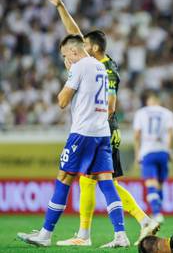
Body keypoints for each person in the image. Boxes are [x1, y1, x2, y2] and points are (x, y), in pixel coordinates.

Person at [43, 0, 158, 246]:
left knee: (102, 180)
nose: (79, 47)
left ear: (92, 48)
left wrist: (94, 126)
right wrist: (60, 6)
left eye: (84, 45)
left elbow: (111, 105)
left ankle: (140, 219)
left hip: (102, 129)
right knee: (92, 180)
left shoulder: (105, 68)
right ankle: (86, 234)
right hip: (98, 130)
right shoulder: (96, 62)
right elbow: (74, 34)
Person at [17, 35, 129, 248]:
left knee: (64, 178)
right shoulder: (100, 67)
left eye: (65, 55)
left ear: (74, 52)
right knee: (106, 181)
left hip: (82, 133)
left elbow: (61, 101)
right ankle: (120, 235)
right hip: (102, 132)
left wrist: (70, 72)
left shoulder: (79, 67)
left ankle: (45, 234)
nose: (64, 59)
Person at [133, 92, 173, 223]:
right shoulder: (168, 113)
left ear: (149, 101)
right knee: (160, 184)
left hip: (148, 151)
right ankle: (158, 211)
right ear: (159, 102)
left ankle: (157, 213)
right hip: (163, 151)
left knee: (151, 183)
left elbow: (137, 134)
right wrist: (170, 150)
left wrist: (137, 152)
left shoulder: (141, 113)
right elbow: (171, 134)